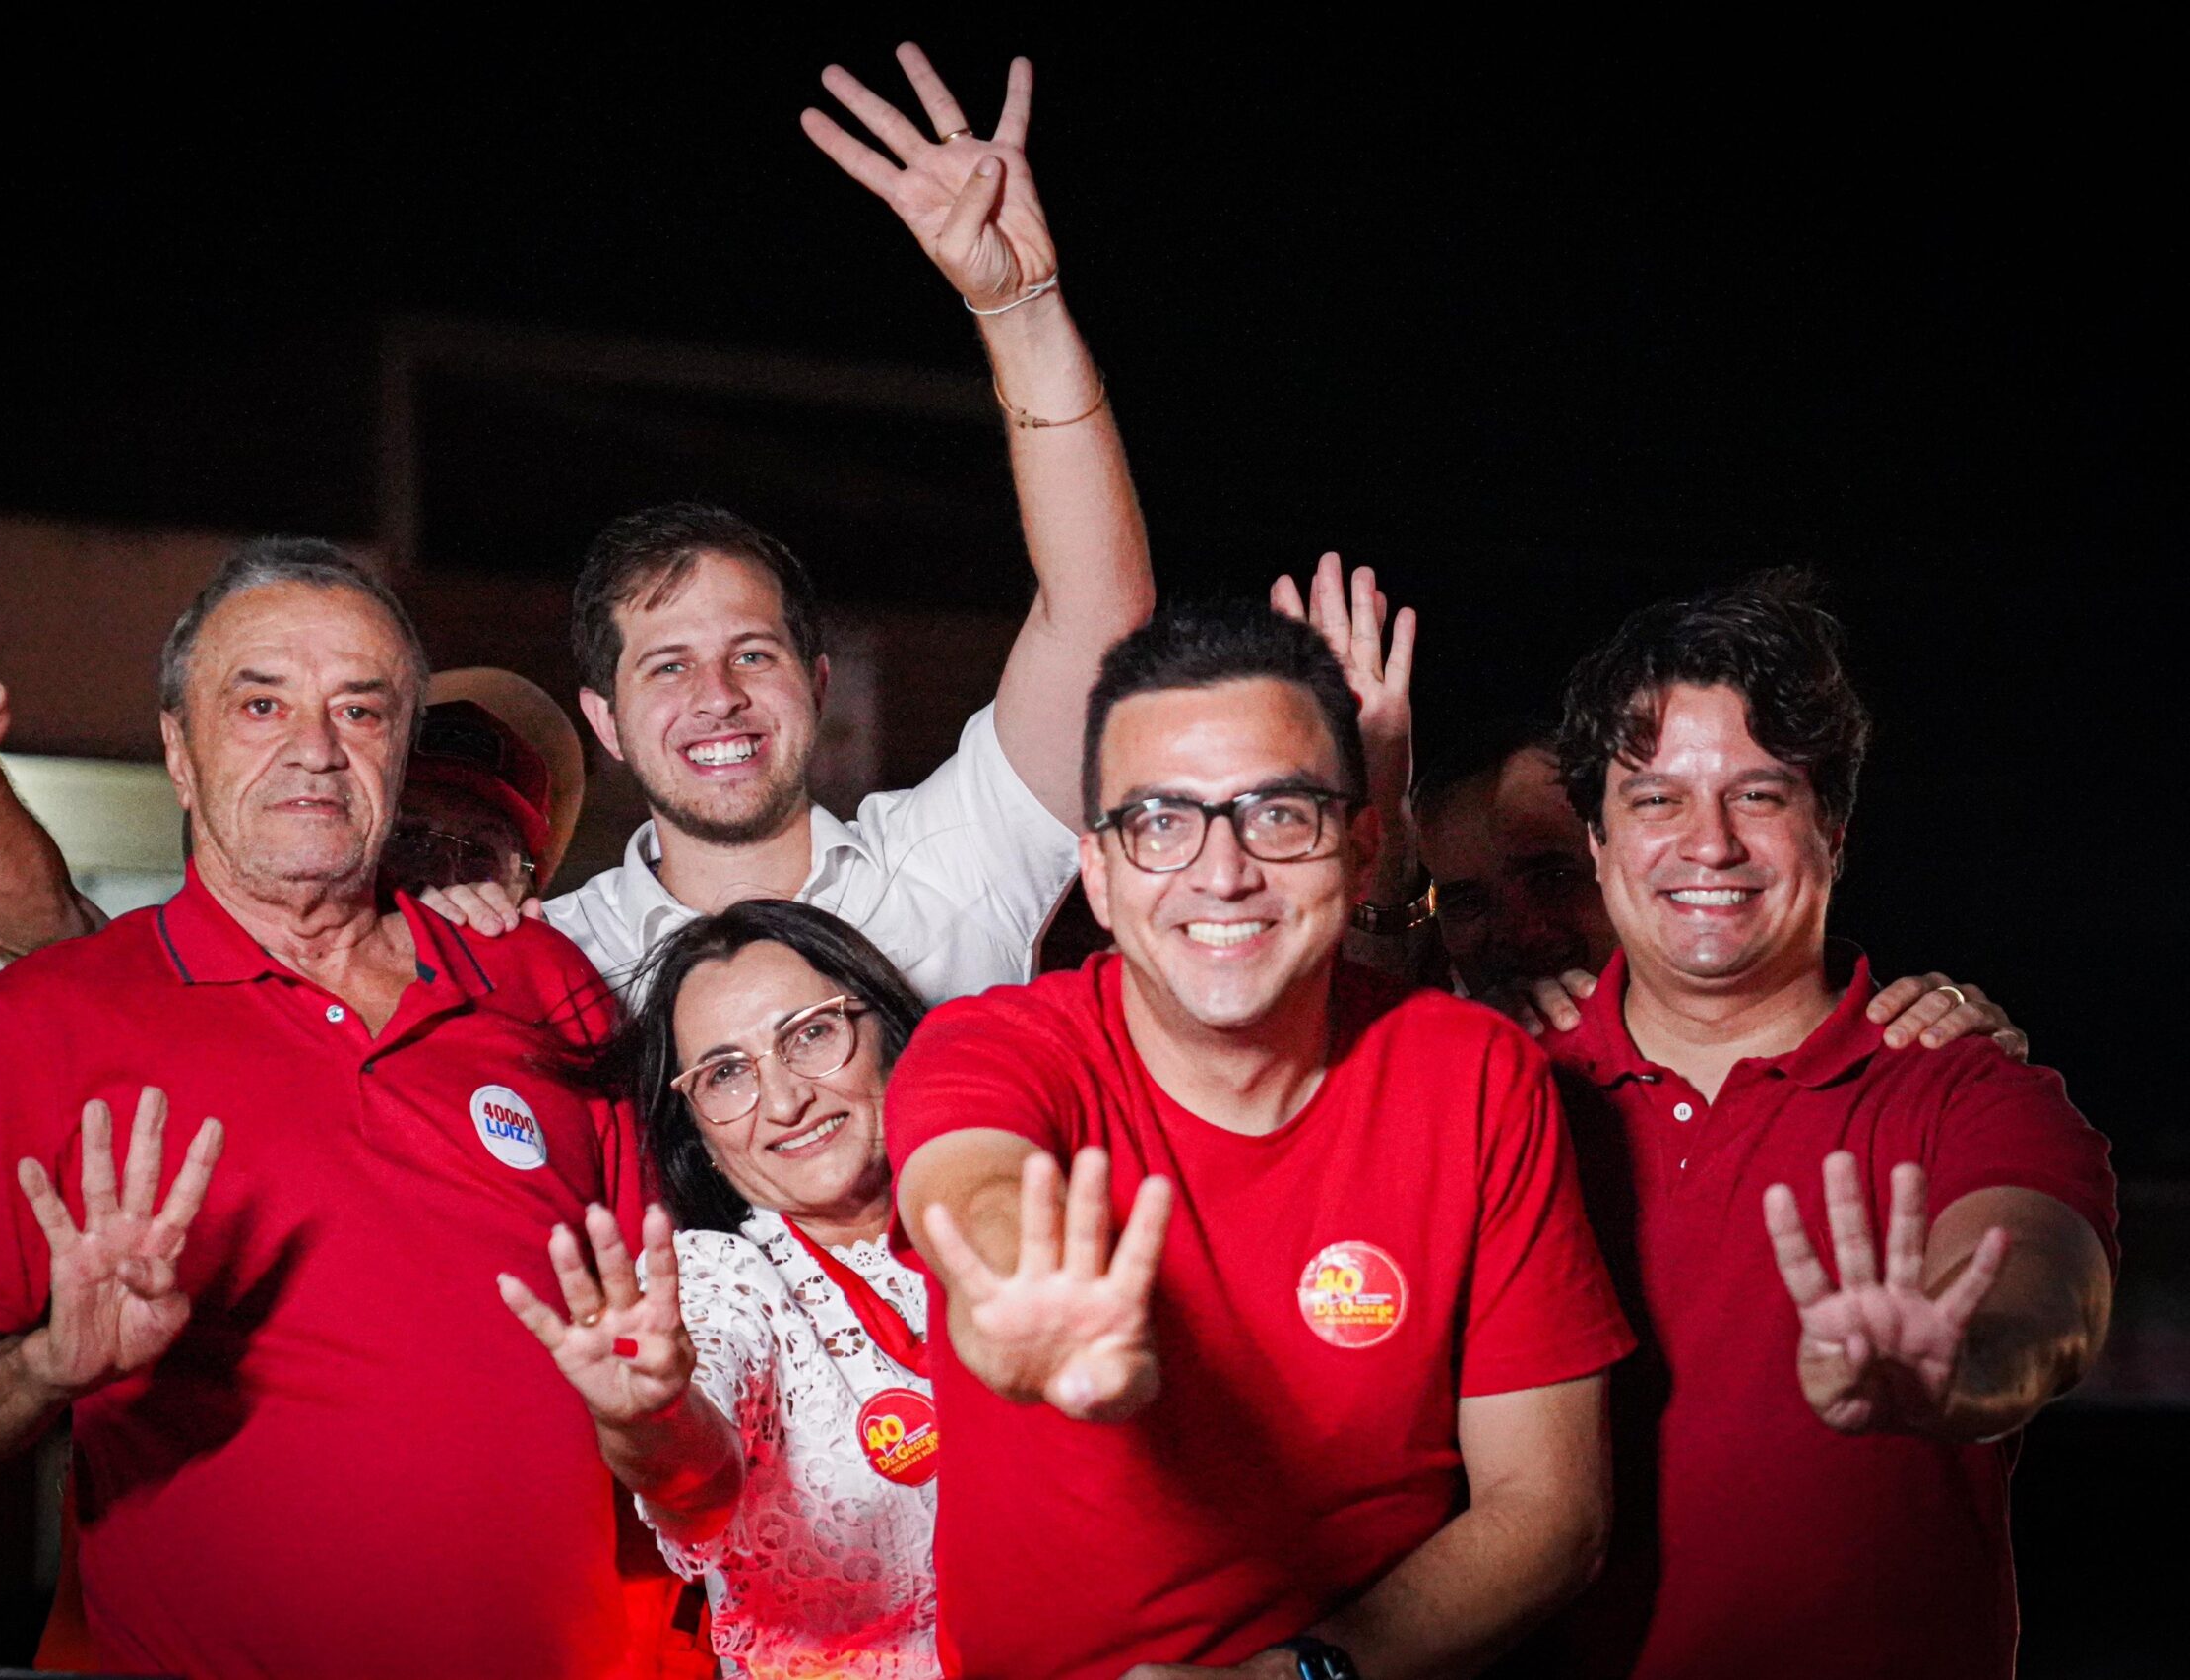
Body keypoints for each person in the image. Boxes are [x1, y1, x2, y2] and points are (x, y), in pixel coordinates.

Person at [0, 539, 642, 1678]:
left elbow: (669, 1347)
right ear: (180, 751)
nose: (315, 748)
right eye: (261, 703)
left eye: (359, 710)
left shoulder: (546, 983)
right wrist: (45, 1368)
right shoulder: (55, 1014)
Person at [884, 602, 1637, 1680]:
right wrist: (1021, 1298)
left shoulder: (1476, 1075)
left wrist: (1292, 1677)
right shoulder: (994, 1045)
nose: (1222, 871)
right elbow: (973, 1183)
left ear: (1361, 847)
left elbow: (1551, 1511)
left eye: (1276, 814)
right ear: (1098, 873)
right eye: (1160, 821)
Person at [1530, 572, 2115, 1679]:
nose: (1709, 844)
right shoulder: (1499, 1083)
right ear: (1597, 842)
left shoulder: (1965, 1089)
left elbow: (2048, 1287)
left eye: (1758, 795)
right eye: (1655, 800)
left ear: (1832, 832)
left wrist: (1959, 1358)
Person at [494, 45, 1152, 1004]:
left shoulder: (948, 863)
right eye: (667, 666)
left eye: (753, 654)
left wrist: (1019, 305)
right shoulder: (545, 966)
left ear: (817, 681)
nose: (718, 696)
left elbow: (1098, 613)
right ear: (607, 723)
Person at [1266, 552, 2028, 1056]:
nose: (1519, 932)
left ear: (1611, 847)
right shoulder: (1462, 1053)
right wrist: (1370, 796)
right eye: (1466, 901)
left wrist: (1947, 1023)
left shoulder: (1895, 1043)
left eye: (1551, 875)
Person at [502, 900, 944, 1679]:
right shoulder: (725, 1278)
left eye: (811, 1033)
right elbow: (694, 1482)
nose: (786, 1100)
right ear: (699, 1135)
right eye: (726, 1074)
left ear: (885, 1031)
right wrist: (654, 1417)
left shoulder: (991, 1203)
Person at [0, 535, 584, 962]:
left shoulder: (559, 997)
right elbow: (52, 936)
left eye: (476, 852)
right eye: (413, 836)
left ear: (531, 881)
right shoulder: (208, 976)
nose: (443, 874)